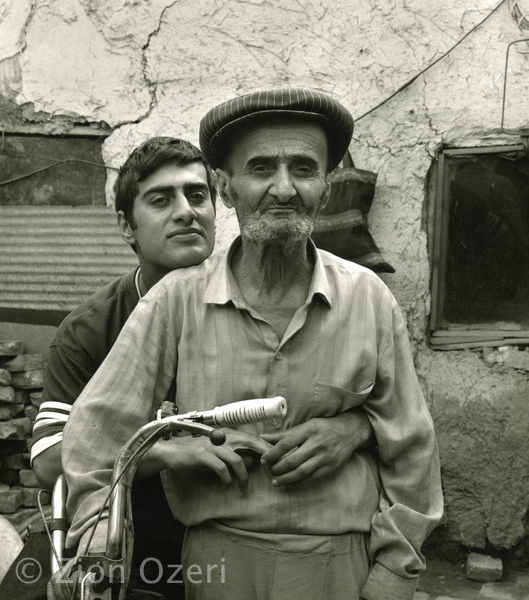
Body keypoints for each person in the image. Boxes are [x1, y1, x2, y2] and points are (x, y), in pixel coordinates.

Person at [60, 88, 442, 600]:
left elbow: (412, 449)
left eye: (304, 169)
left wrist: (394, 575)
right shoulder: (176, 300)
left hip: (341, 566)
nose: (283, 189)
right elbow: (94, 440)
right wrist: (96, 553)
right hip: (215, 567)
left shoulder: (368, 298)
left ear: (325, 187)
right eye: (261, 168)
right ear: (227, 187)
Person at [29, 136, 218, 599]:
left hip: (234, 544)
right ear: (126, 226)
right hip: (131, 555)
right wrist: (161, 454)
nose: (186, 211)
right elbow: (49, 459)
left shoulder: (252, 308)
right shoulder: (91, 328)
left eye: (197, 195)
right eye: (161, 199)